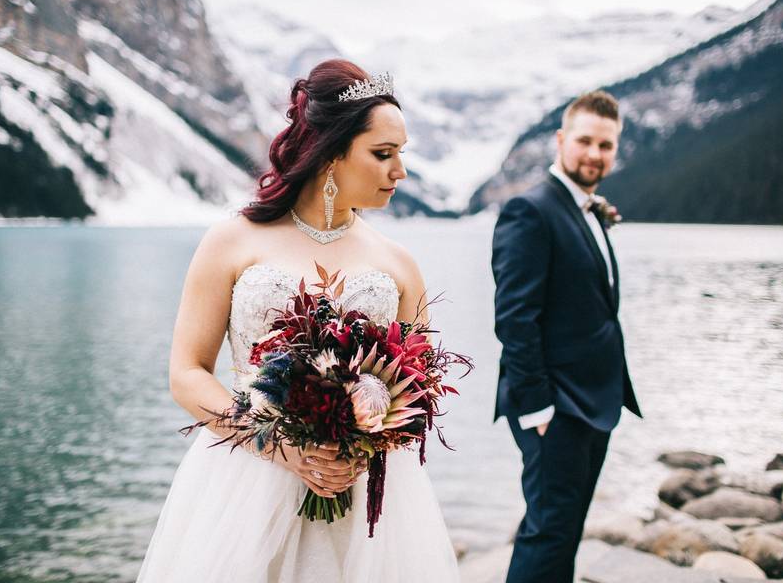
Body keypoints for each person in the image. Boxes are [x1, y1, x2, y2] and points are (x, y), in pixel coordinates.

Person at [136, 59, 459, 582]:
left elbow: (413, 393)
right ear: (331, 154)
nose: (400, 171)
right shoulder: (231, 241)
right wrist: (276, 443)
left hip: (366, 493)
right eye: (383, 154)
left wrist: (365, 445)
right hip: (245, 479)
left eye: (401, 155)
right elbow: (187, 372)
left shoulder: (399, 264)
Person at [491, 91, 642, 583]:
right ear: (560, 140)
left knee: (565, 528)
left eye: (606, 145)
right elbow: (515, 317)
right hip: (554, 406)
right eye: (585, 141)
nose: (595, 154)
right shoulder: (530, 210)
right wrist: (538, 410)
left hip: (593, 403)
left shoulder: (586, 209)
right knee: (548, 531)